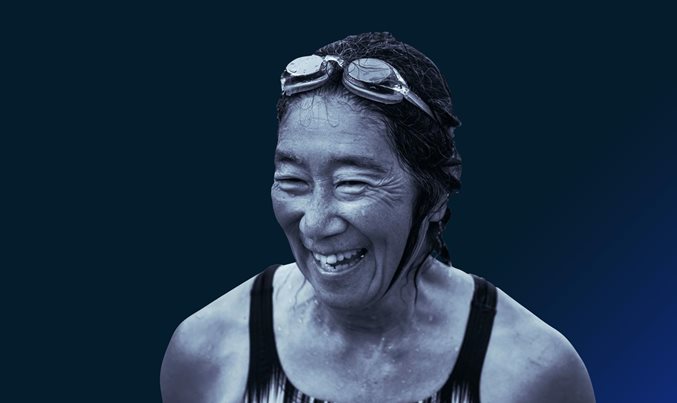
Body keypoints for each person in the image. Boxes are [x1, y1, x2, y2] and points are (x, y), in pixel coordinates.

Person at [160, 32, 595, 403]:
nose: (315, 224)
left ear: (435, 195)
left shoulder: (528, 372)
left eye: (352, 183)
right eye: (293, 180)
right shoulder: (211, 351)